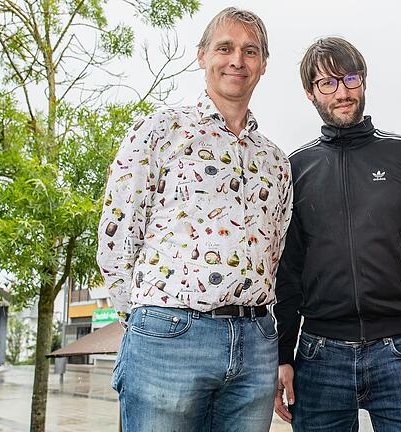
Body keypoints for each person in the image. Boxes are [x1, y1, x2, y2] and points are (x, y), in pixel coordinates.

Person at [96, 7, 292, 431]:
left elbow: (274, 248)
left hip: (256, 343)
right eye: (225, 47)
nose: (237, 60)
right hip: (169, 337)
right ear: (201, 55)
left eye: (250, 51)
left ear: (263, 65)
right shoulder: (160, 130)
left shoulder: (275, 160)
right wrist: (145, 321)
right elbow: (118, 232)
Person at [273, 37, 401, 431]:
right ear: (310, 93)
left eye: (349, 78)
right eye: (327, 83)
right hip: (319, 357)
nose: (342, 92)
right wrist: (282, 354)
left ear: (364, 81)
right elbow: (286, 271)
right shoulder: (294, 169)